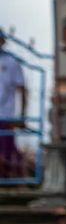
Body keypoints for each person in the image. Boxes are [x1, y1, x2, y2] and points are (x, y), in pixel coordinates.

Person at [0, 30, 28, 178]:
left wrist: (22, 115)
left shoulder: (11, 62)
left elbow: (22, 89)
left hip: (5, 115)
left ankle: (11, 180)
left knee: (6, 152)